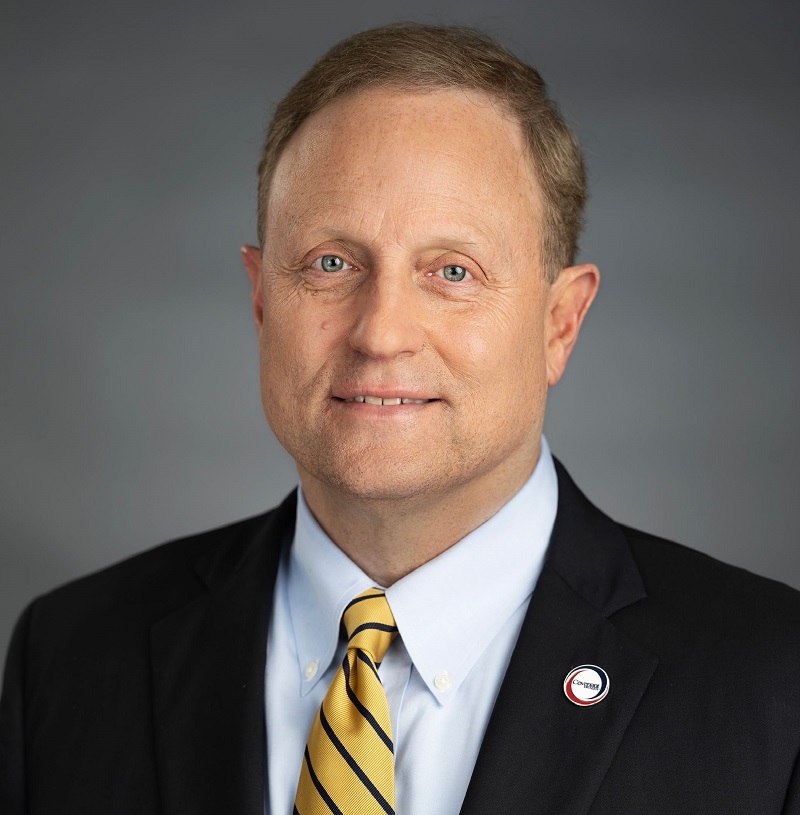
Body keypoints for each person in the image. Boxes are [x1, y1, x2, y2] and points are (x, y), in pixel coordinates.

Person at [1, 22, 798, 815]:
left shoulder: (771, 683)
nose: (380, 332)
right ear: (260, 299)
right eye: (331, 264)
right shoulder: (68, 658)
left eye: (453, 271)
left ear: (560, 322)